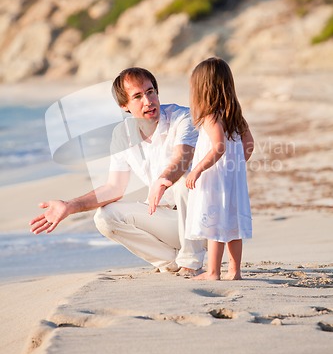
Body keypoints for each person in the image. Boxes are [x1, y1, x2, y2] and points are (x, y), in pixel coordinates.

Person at [30, 67, 206, 275]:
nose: (148, 101)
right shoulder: (123, 134)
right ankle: (169, 262)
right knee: (105, 216)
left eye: (150, 92)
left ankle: (191, 263)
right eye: (138, 96)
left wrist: (162, 180)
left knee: (185, 180)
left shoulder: (183, 117)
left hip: (203, 221)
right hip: (167, 219)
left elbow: (182, 158)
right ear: (125, 106)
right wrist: (69, 206)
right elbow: (114, 188)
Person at [185, 57, 254, 281]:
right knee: (232, 224)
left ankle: (213, 272)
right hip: (232, 179)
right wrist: (237, 166)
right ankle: (234, 271)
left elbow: (218, 147)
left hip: (214, 178)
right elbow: (249, 144)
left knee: (214, 224)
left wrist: (197, 170)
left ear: (202, 89)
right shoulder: (235, 115)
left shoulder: (210, 116)